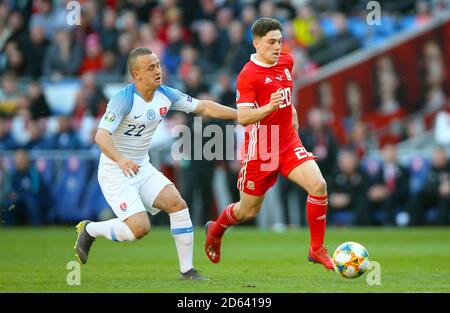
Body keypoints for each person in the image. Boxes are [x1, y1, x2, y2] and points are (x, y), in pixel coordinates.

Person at [74, 47, 236, 280]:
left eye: (158, 65)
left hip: (142, 166)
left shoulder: (166, 94)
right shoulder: (123, 99)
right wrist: (121, 159)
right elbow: (101, 136)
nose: (157, 70)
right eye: (150, 68)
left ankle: (187, 271)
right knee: (140, 229)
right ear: (136, 75)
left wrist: (239, 115)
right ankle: (90, 229)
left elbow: (203, 107)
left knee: (177, 204)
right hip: (115, 171)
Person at [204, 18, 334, 270]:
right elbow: (243, 117)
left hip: (287, 142)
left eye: (280, 41)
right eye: (271, 42)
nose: (277, 47)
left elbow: (286, 92)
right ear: (256, 43)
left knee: (318, 186)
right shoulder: (247, 76)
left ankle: (316, 249)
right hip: (261, 150)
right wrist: (271, 107)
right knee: (247, 211)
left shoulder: (286, 61)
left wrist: (291, 110)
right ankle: (216, 229)